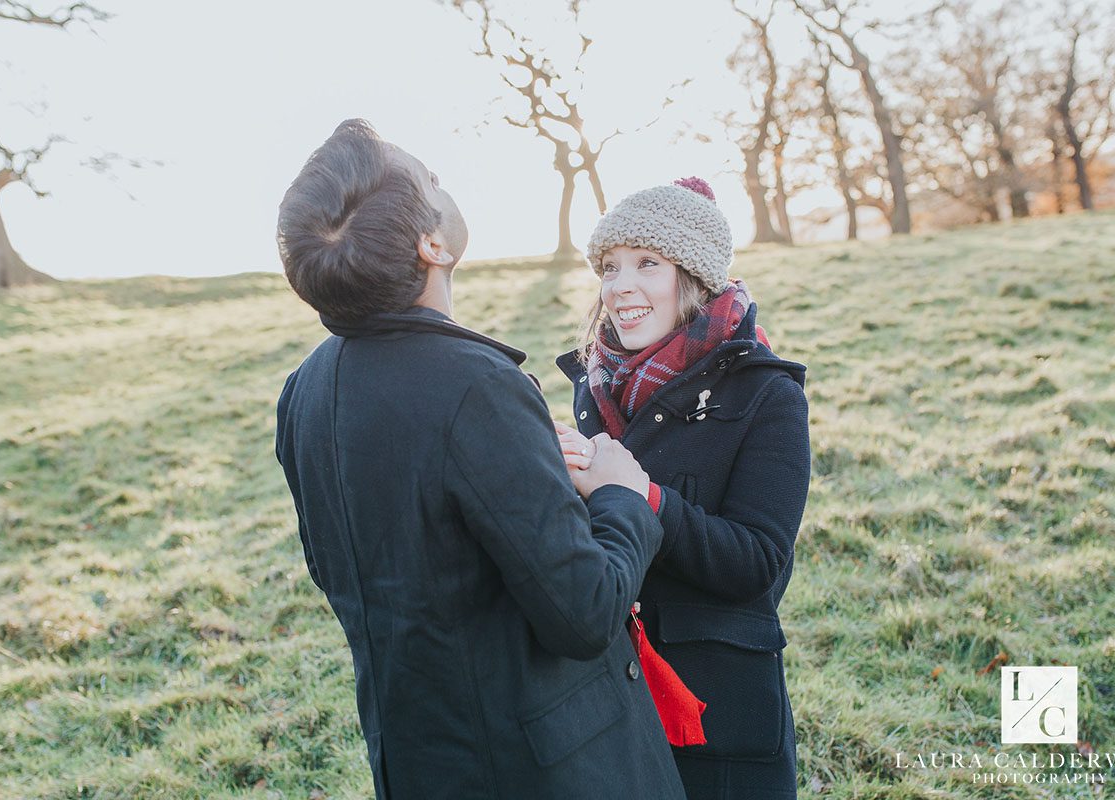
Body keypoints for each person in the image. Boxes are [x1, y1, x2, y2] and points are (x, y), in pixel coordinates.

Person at [273, 119, 686, 800]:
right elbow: (585, 614)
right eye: (431, 179)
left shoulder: (304, 391)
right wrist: (617, 492)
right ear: (431, 244)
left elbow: (348, 570)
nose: (444, 182)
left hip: (414, 759)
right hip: (545, 769)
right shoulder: (476, 387)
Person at [554, 177, 812, 799]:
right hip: (604, 704)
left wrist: (640, 498)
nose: (620, 286)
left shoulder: (767, 395)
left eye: (648, 263)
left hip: (716, 714)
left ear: (693, 277)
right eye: (609, 267)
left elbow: (757, 562)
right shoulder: (591, 386)